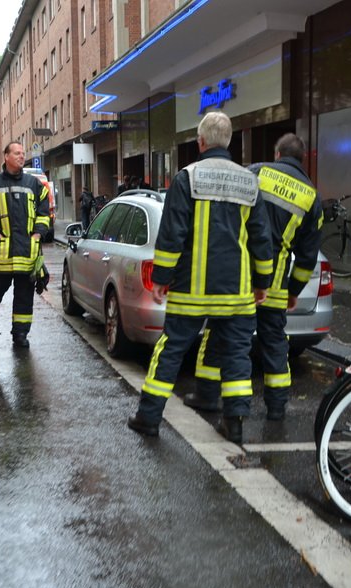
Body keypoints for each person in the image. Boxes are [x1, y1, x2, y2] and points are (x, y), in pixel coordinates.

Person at [126, 111, 273, 444]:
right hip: (236, 294)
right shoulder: (249, 181)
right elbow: (261, 239)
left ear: (201, 141)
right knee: (237, 356)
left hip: (191, 292)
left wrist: (162, 277)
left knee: (171, 351)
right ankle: (234, 424)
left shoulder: (186, 178)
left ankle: (148, 418)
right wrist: (262, 282)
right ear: (229, 141)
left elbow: (172, 233)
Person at [183, 133, 324, 421]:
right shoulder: (312, 197)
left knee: (221, 333)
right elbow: (308, 257)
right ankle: (276, 406)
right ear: (302, 159)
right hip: (276, 283)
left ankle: (208, 395)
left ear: (277, 153)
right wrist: (294, 290)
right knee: (275, 342)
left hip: (241, 276)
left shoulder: (256, 172)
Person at [0, 141, 51, 348]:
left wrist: (38, 234)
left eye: (22, 153)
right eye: (16, 153)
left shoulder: (34, 184)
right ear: (6, 156)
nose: (21, 156)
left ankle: (20, 334)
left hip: (27, 254)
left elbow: (44, 214)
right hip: (1, 257)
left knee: (24, 299)